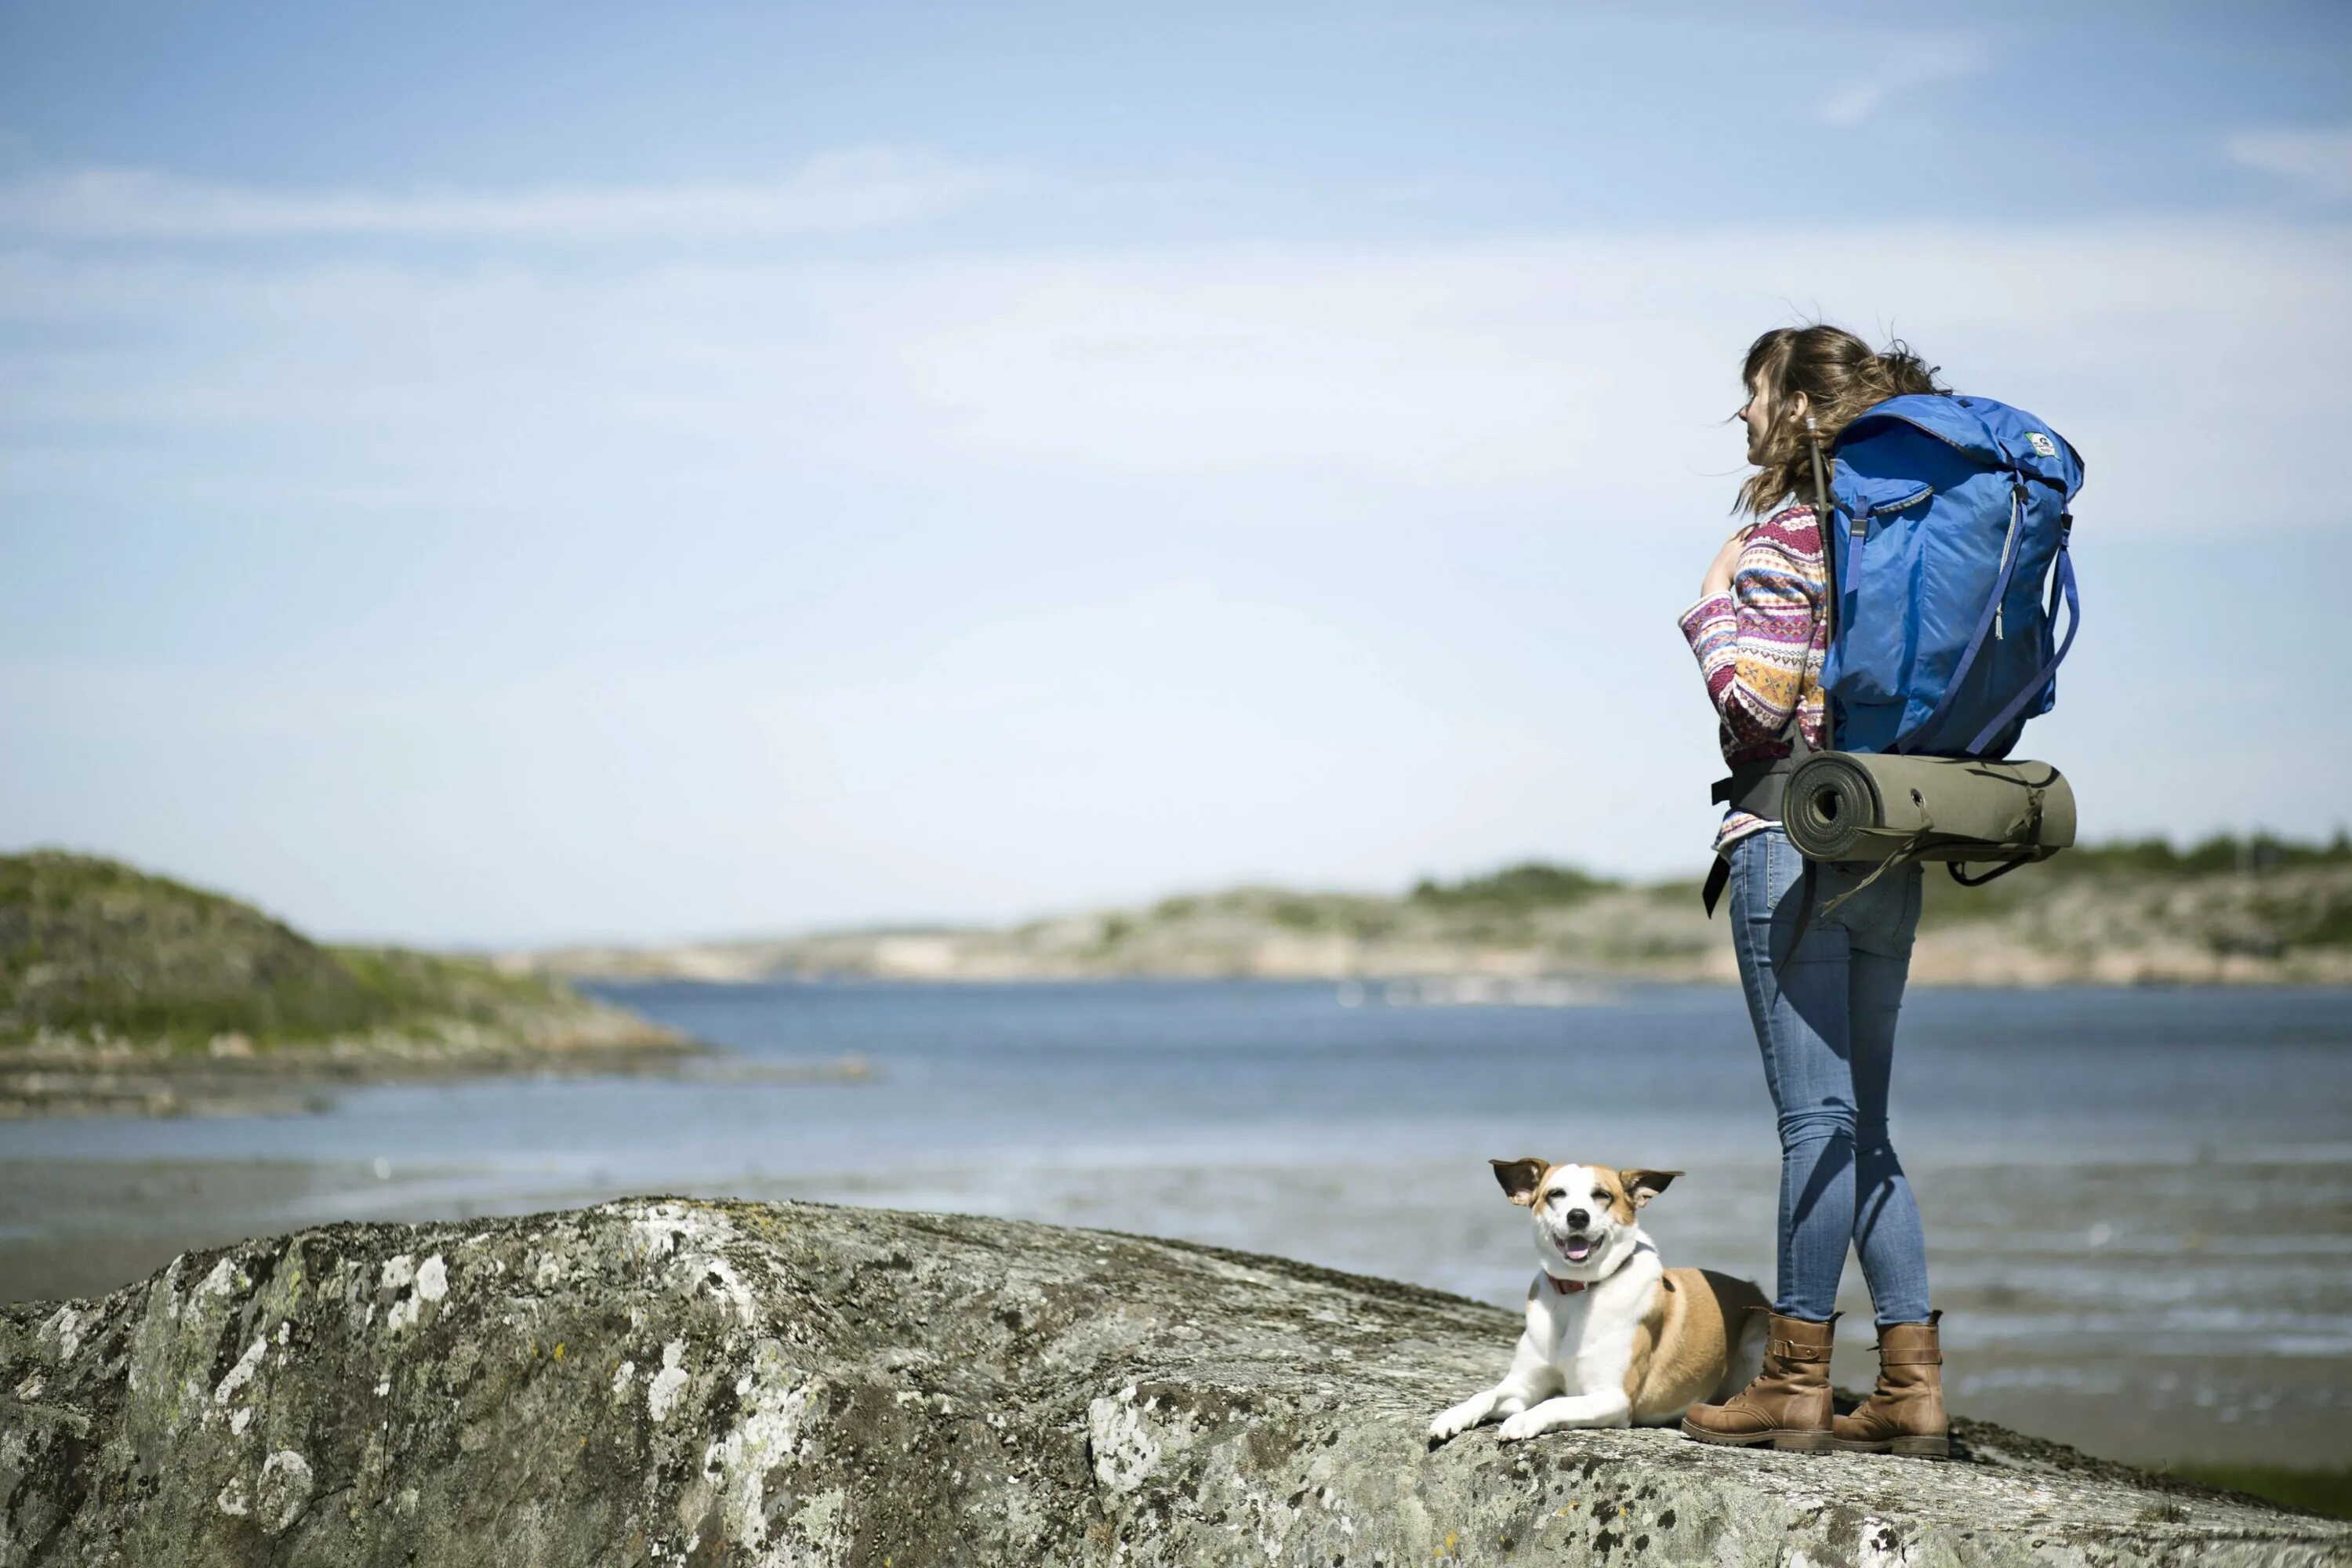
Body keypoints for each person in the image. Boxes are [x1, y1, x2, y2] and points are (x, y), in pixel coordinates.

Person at [1672, 324, 1951, 1459]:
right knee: (1865, 1129)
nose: (1739, 416)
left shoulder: (1787, 535)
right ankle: (1911, 1386)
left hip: (1793, 838)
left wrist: (1709, 607)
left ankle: (1793, 1379)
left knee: (1816, 1124)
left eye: (1750, 395)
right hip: (1890, 841)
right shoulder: (1896, 539)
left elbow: (1763, 710)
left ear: (1792, 410)